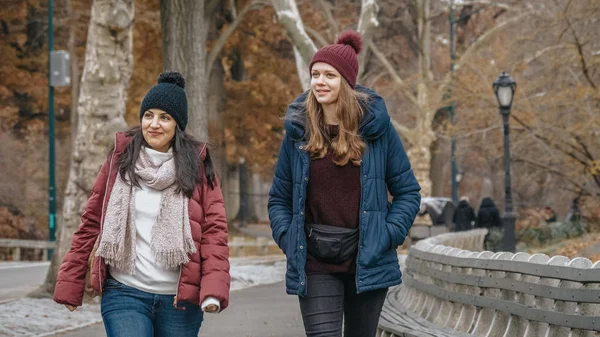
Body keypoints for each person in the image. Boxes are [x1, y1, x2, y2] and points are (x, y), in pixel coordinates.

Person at [53, 71, 230, 337]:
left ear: (177, 126)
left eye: (165, 117)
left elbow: (215, 232)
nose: (154, 124)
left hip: (179, 300)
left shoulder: (198, 167)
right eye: (149, 115)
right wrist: (71, 283)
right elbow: (91, 221)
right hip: (124, 292)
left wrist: (214, 288)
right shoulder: (120, 162)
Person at [268, 31, 421, 337]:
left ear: (347, 82)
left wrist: (387, 235)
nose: (320, 82)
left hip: (367, 259)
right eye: (315, 74)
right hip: (314, 262)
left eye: (329, 75)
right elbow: (278, 200)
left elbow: (408, 192)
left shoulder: (377, 130)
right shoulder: (298, 131)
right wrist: (289, 237)